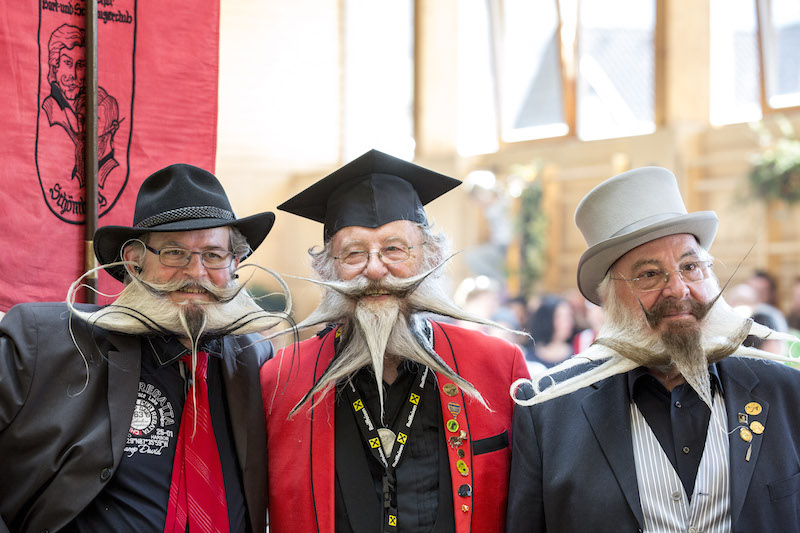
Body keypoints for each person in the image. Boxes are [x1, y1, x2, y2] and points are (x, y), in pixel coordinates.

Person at [507, 167, 800, 532]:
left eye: (690, 266)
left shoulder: (788, 392)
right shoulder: (549, 416)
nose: (678, 289)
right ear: (609, 300)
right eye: (649, 274)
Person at [0, 164, 286, 532]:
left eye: (213, 255)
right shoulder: (44, 340)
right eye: (173, 252)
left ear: (234, 264)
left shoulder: (256, 357)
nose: (196, 272)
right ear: (135, 263)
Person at [260, 149, 529, 533]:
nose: (374, 268)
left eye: (394, 249)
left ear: (430, 257)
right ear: (326, 268)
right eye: (353, 253)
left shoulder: (498, 368)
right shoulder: (279, 381)